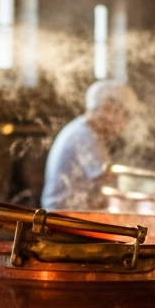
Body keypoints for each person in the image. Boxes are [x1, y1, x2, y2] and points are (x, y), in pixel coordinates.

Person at [42, 80, 136, 211]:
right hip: (63, 217)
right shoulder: (83, 136)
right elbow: (107, 179)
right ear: (106, 108)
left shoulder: (86, 131)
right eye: (125, 115)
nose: (125, 123)